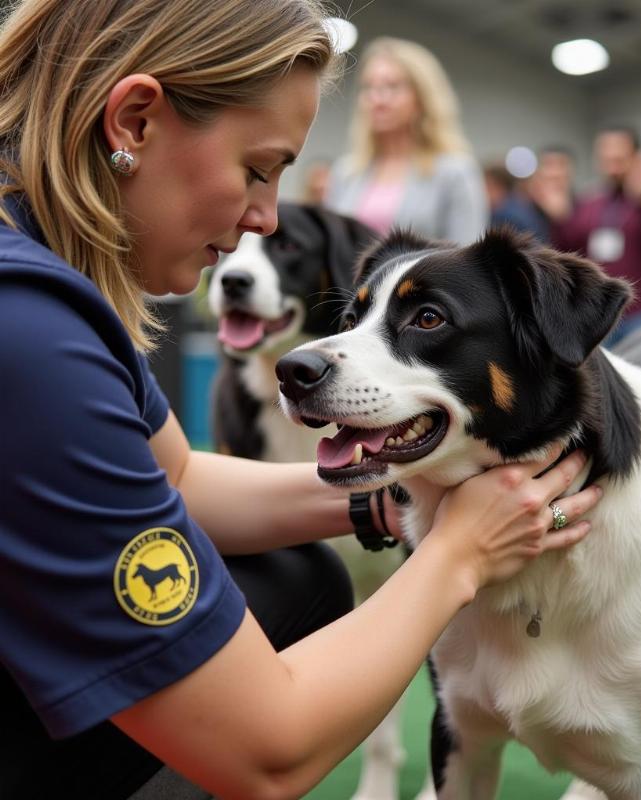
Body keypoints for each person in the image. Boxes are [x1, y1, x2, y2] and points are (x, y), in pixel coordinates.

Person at [0, 2, 601, 799]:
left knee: (294, 576)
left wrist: (386, 501)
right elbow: (268, 753)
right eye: (257, 168)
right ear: (135, 121)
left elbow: (174, 479)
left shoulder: (41, 279)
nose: (266, 217)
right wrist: (462, 550)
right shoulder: (30, 332)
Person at [325, 36, 488, 244]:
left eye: (392, 87)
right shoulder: (346, 172)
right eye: (368, 87)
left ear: (422, 98)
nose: (377, 99)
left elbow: (469, 254)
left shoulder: (454, 171)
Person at [550, 125, 641, 346]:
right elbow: (569, 248)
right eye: (605, 157)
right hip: (599, 313)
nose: (611, 164)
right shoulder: (590, 202)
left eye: (618, 157)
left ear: (636, 158)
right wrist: (559, 218)